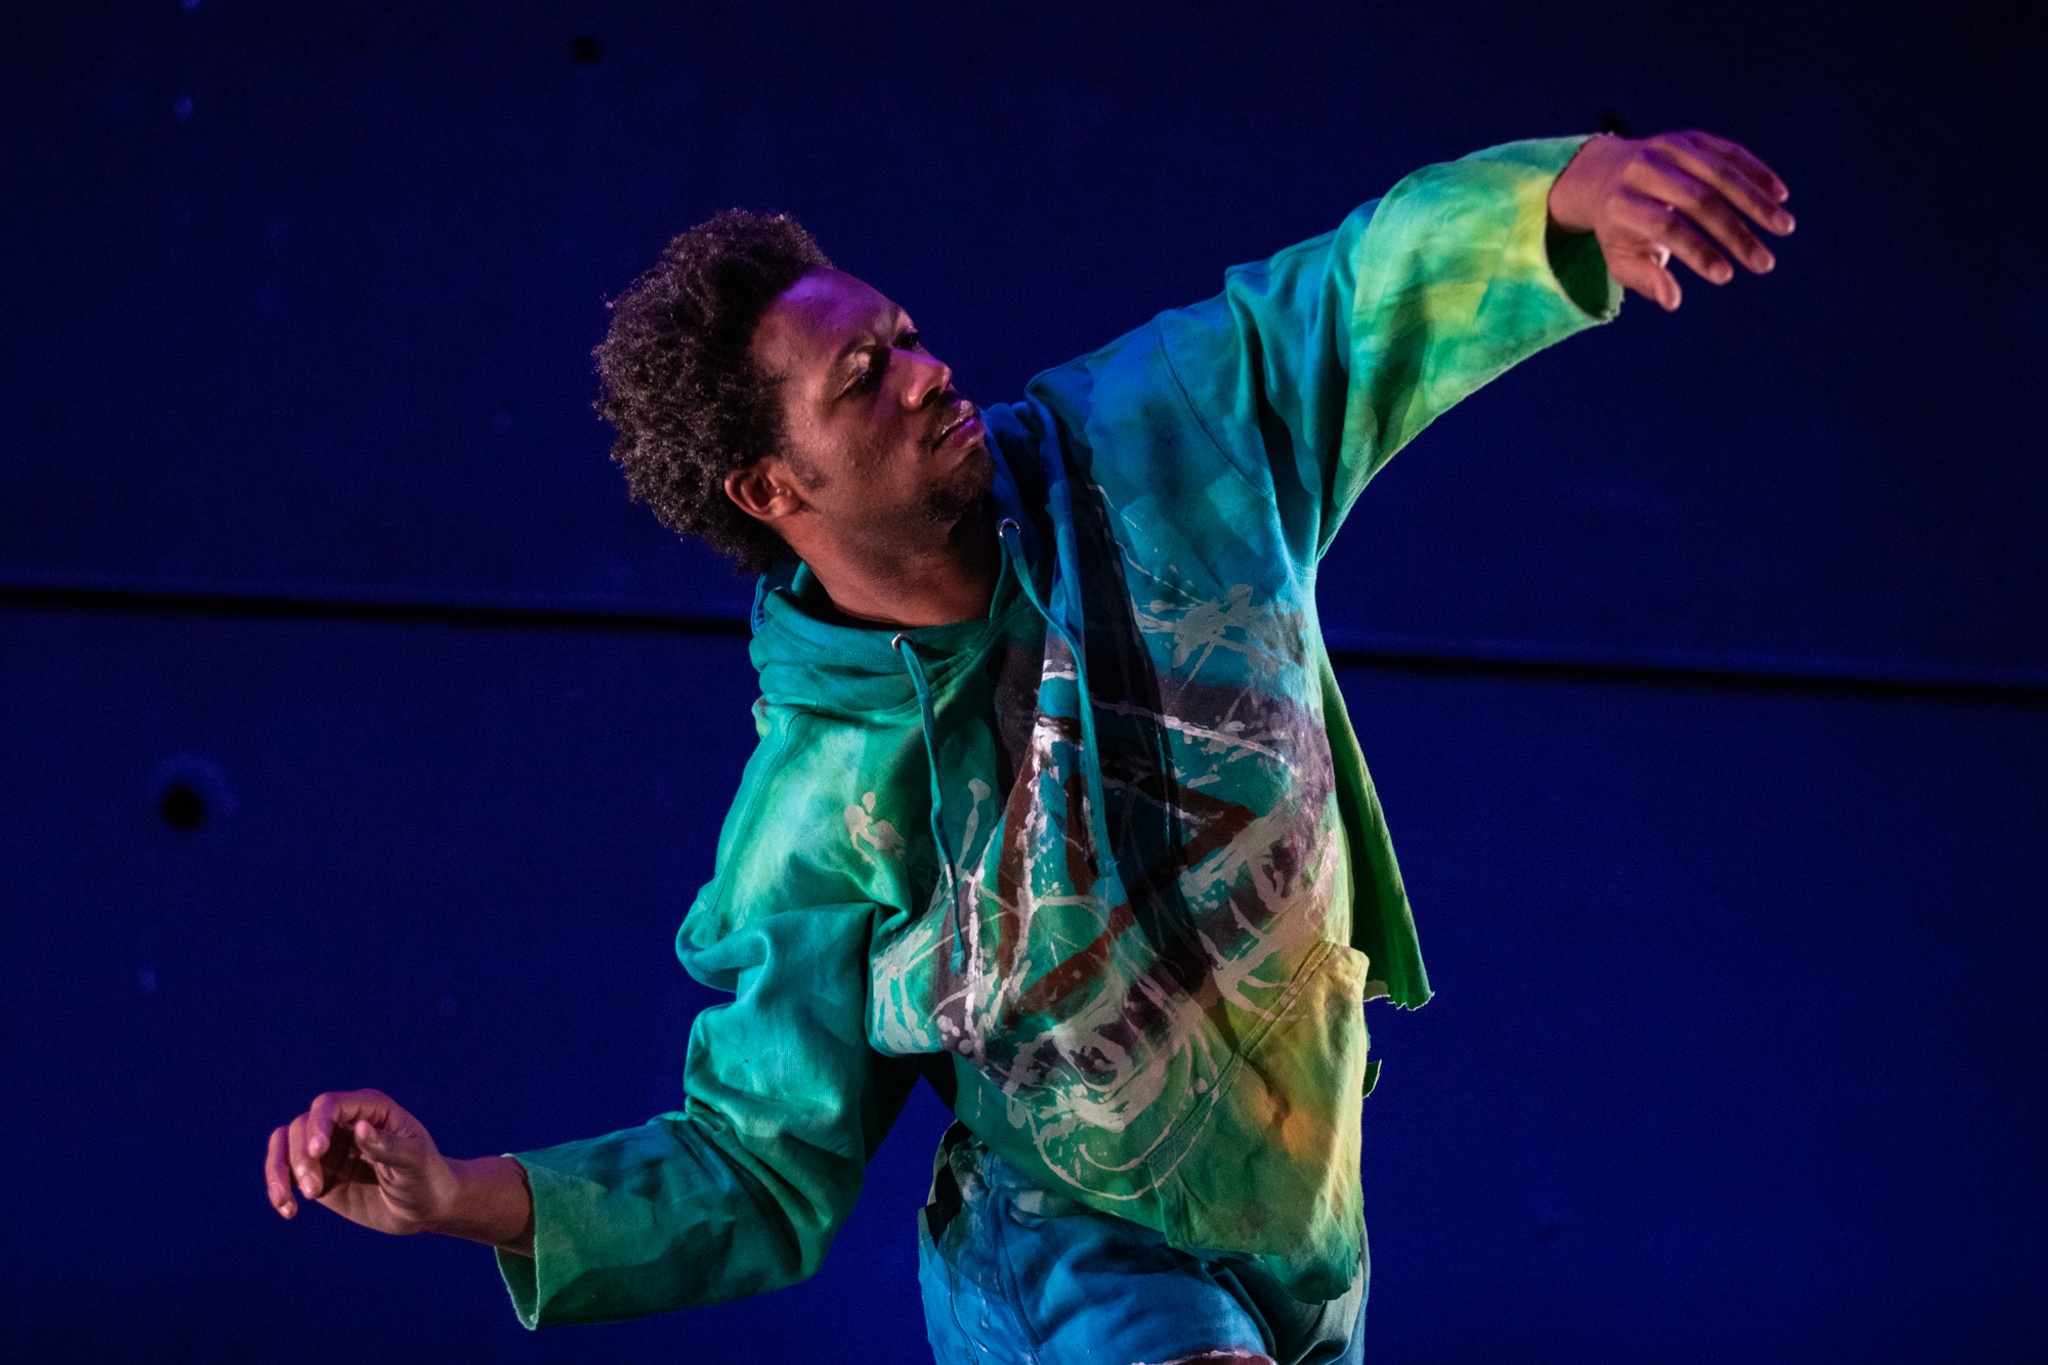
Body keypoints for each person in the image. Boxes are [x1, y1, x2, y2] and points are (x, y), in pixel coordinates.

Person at [264, 129, 1791, 1365]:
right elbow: (755, 1161)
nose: (929, 372)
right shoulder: (820, 806)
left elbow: (1341, 303)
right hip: (1069, 1258)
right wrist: (461, 1195)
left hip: (1311, 1228)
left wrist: (1560, 198)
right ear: (769, 488)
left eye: (908, 337)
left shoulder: (1157, 442)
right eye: (863, 380)